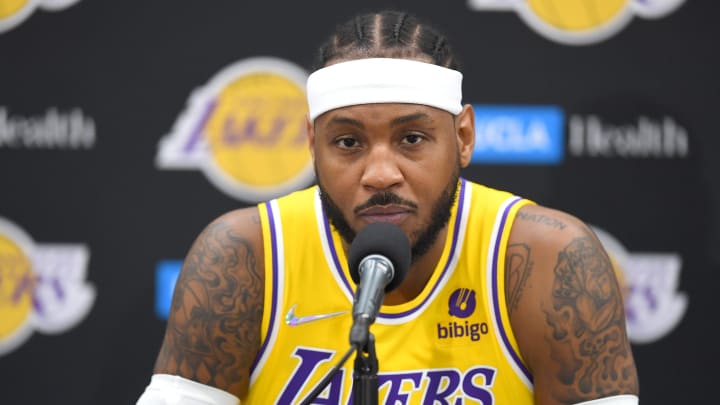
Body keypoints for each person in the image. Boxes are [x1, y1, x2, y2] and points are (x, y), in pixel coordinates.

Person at [136, 9, 639, 405]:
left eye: (412, 138)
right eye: (349, 143)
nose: (380, 174)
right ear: (313, 144)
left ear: (463, 137)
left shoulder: (544, 257)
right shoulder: (247, 258)